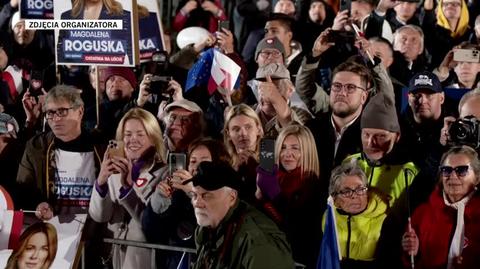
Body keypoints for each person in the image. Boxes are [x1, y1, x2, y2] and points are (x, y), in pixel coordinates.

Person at [89, 108, 166, 269]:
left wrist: (128, 188)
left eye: (140, 134)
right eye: (128, 134)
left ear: (153, 138)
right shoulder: (114, 172)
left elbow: (150, 222)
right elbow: (100, 216)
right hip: (113, 257)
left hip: (143, 260)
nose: (133, 140)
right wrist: (101, 182)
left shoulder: (163, 173)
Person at [185, 161, 295, 269]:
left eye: (206, 196)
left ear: (232, 197)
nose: (197, 203)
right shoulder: (206, 229)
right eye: (194, 195)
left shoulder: (257, 241)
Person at [142, 138, 229, 269]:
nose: (196, 167)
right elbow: (153, 233)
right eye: (193, 161)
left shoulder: (227, 194)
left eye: (204, 161)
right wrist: (158, 202)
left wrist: (193, 193)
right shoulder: (178, 194)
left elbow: (215, 234)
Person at [16, 85, 103, 215]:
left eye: (62, 111)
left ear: (80, 111)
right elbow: (22, 190)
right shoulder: (36, 146)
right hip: (51, 229)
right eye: (50, 113)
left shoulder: (101, 146)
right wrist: (38, 204)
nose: (56, 119)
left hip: (96, 227)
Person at [256, 124, 323, 268]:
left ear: (307, 152)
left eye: (295, 148)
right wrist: (259, 193)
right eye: (283, 147)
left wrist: (275, 195)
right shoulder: (272, 176)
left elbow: (298, 231)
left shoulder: (315, 188)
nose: (287, 154)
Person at [402, 145, 480, 268]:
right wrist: (412, 254)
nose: (453, 176)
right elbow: (409, 262)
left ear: (477, 177)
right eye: (447, 170)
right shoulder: (422, 213)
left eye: (461, 170)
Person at [326, 161, 389, 268]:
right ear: (335, 197)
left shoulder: (386, 220)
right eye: (346, 191)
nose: (354, 196)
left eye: (360, 189)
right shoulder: (328, 217)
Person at [224, 104, 264, 202]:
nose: (243, 134)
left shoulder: (269, 151)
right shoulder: (223, 160)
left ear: (258, 129)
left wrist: (255, 167)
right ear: (228, 134)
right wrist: (234, 171)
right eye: (236, 129)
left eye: (248, 127)